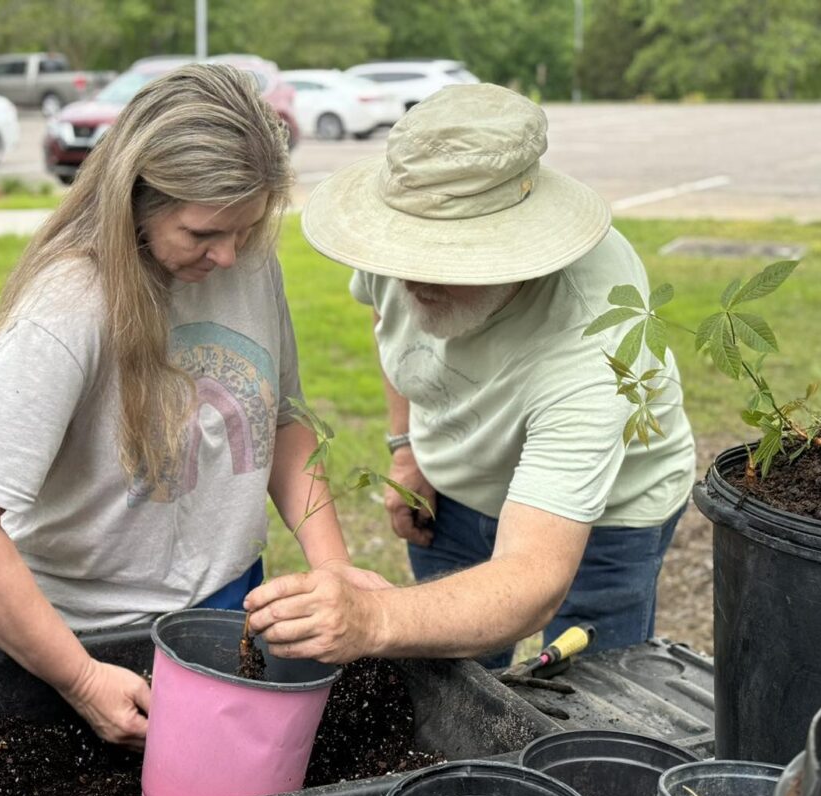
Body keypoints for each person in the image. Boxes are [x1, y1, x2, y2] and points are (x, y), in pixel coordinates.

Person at [0, 64, 384, 749]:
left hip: (228, 605)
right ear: (137, 198)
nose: (228, 256)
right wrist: (79, 679)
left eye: (246, 229)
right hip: (87, 642)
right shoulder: (72, 304)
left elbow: (279, 420)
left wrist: (332, 566)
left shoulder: (246, 258)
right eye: (201, 235)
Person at [244, 83, 696, 668]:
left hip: (609, 514)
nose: (411, 278)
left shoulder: (593, 338)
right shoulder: (400, 249)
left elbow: (532, 577)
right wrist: (406, 448)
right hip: (455, 486)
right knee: (453, 684)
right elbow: (388, 320)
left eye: (447, 258)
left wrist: (374, 618)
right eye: (406, 253)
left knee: (597, 695)